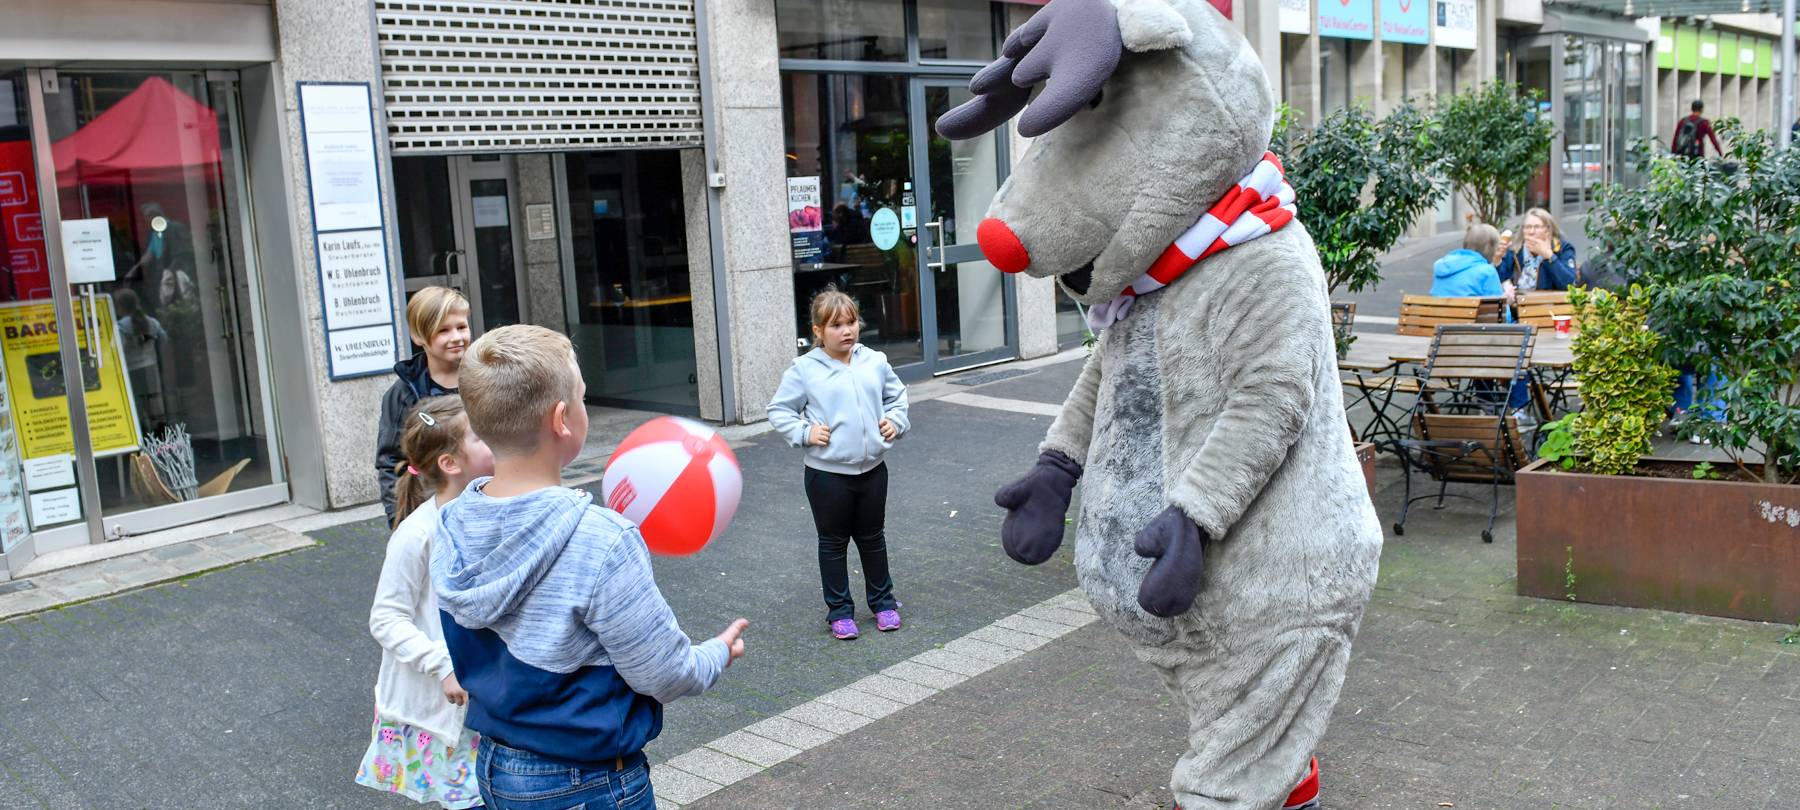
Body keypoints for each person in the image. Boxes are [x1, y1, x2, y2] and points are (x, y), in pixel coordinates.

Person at [430, 325, 747, 810]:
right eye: (580, 397)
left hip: (496, 768)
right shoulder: (601, 540)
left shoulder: (450, 522)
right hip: (587, 781)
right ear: (562, 419)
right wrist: (716, 654)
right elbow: (663, 673)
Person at [357, 396, 493, 809]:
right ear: (451, 464)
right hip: (445, 712)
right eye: (482, 434)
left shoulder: (497, 511)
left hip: (493, 699)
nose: (498, 438)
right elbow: (386, 619)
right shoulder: (417, 534)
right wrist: (445, 664)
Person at [767, 288, 910, 641]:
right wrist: (805, 431)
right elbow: (779, 410)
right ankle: (840, 612)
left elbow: (897, 396)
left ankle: (883, 603)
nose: (846, 331)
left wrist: (896, 420)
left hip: (873, 470)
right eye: (836, 325)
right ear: (818, 331)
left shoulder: (874, 360)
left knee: (873, 538)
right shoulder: (804, 370)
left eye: (851, 322)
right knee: (832, 543)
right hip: (827, 475)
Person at [378, 287, 471, 525]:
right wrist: (398, 519)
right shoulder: (402, 394)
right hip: (432, 511)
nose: (457, 337)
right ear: (419, 337)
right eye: (443, 330)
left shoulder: (484, 378)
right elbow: (391, 461)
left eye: (461, 327)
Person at [113, 288, 170, 432]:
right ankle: (160, 431)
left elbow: (115, 350)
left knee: (136, 403)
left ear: (119, 306)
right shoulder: (152, 322)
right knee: (154, 401)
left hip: (131, 370)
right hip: (151, 367)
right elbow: (164, 340)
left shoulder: (121, 327)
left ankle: (143, 432)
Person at [1497, 207, 1579, 300]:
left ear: (1547, 230)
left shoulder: (1561, 248)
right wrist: (1497, 260)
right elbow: (1498, 281)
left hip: (1549, 306)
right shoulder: (1515, 250)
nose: (1531, 232)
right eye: (1527, 227)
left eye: (1537, 227)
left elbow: (1570, 285)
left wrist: (1549, 256)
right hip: (1518, 306)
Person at [1429, 223, 1506, 298]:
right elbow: (1498, 309)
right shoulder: (1487, 271)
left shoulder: (1442, 267)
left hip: (1437, 311)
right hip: (1470, 311)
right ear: (1490, 247)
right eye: (1497, 247)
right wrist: (1507, 299)